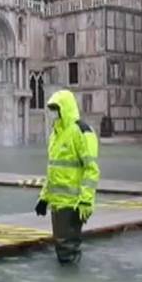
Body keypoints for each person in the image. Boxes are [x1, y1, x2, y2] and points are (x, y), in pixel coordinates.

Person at [34, 90, 100, 264]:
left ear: (66, 108)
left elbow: (91, 170)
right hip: (57, 204)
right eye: (52, 109)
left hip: (73, 204)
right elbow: (53, 170)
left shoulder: (82, 131)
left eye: (57, 108)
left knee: (68, 250)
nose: (54, 113)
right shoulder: (55, 135)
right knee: (62, 248)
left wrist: (86, 200)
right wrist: (44, 198)